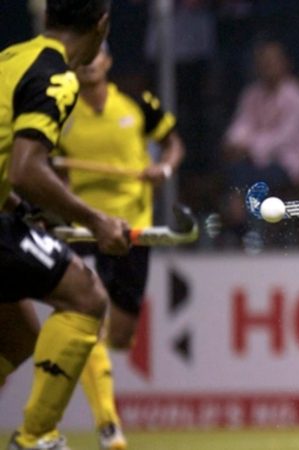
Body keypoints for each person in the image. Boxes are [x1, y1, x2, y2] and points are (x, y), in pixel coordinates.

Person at [0, 1, 130, 449]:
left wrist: (20, 208)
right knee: (86, 296)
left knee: (18, 338)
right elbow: (25, 168)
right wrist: (96, 220)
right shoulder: (57, 76)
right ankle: (35, 438)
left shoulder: (12, 57)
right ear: (102, 25)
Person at [55, 42, 185, 450]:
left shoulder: (137, 104)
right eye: (84, 56)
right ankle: (108, 426)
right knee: (87, 317)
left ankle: (96, 361)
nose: (90, 63)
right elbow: (42, 166)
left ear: (108, 61)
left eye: (97, 55)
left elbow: (173, 144)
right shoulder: (60, 113)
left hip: (132, 231)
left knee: (122, 337)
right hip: (86, 229)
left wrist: (163, 169)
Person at [220, 38, 299, 246]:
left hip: (286, 164)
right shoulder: (251, 93)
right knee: (234, 172)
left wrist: (249, 147)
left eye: (273, 61)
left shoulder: (297, 96)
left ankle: (254, 234)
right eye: (263, 62)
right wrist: (233, 142)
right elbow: (242, 124)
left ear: (285, 63)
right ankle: (240, 233)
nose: (268, 66)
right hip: (252, 162)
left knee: (252, 181)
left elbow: (285, 137)